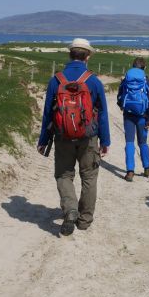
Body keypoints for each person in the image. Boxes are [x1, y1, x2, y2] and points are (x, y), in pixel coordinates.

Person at [37, 38, 110, 236]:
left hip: (62, 137)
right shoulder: (93, 81)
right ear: (88, 56)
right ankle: (84, 220)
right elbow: (102, 113)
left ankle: (70, 209)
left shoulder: (56, 80)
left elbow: (47, 113)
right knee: (89, 176)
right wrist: (105, 141)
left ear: (70, 55)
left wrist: (43, 139)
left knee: (64, 175)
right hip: (88, 137)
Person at [116, 57, 149, 181]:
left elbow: (120, 95)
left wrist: (122, 106)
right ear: (144, 68)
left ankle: (130, 171)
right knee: (142, 142)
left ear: (133, 66)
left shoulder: (126, 79)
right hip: (142, 116)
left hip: (128, 115)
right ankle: (147, 167)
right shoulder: (146, 81)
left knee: (129, 142)